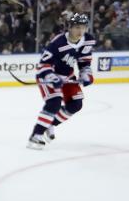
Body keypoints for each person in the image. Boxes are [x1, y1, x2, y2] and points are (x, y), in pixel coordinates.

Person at [27, 13, 96, 149]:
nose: (80, 31)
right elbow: (43, 65)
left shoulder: (88, 40)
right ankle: (35, 136)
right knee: (54, 102)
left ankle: (50, 124)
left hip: (67, 76)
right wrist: (52, 78)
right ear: (69, 27)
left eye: (83, 27)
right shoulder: (57, 43)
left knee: (76, 104)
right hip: (47, 75)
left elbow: (84, 62)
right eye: (77, 27)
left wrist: (86, 74)